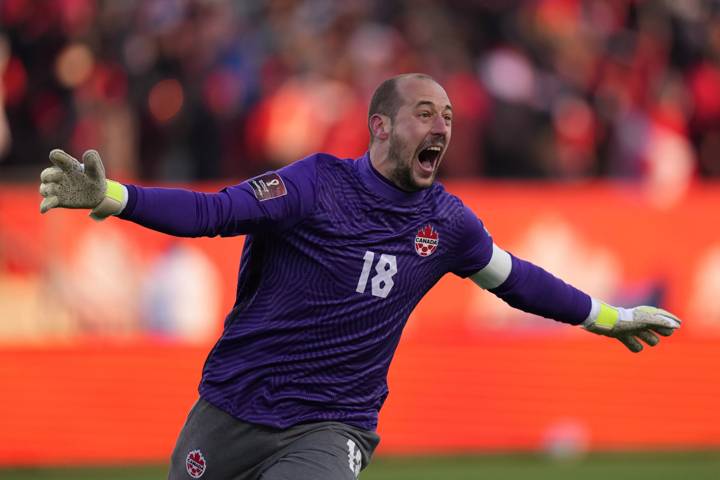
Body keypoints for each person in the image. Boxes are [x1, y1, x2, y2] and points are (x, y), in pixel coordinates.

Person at [38, 73, 681, 480]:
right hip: (233, 406)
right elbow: (213, 212)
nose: (442, 127)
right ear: (380, 127)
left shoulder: (447, 224)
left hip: (332, 425)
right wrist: (115, 196)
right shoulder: (315, 184)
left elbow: (517, 279)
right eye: (425, 113)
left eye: (449, 116)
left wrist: (610, 317)